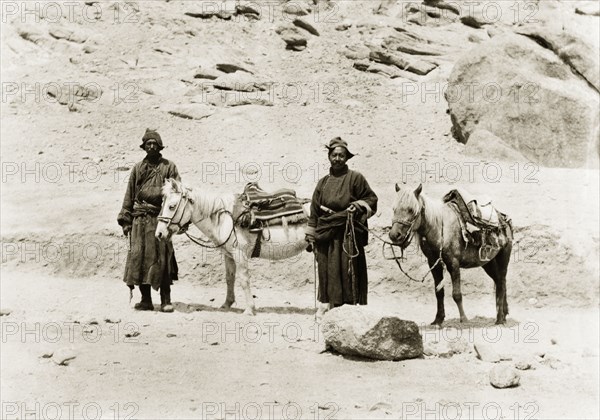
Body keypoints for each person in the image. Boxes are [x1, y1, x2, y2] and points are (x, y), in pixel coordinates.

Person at [306, 137, 378, 317]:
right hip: (326, 237)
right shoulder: (322, 183)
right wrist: (311, 236)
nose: (338, 158)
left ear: (347, 158)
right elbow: (314, 211)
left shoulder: (356, 178)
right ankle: (330, 310)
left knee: (348, 272)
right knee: (328, 272)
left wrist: (359, 205)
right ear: (329, 157)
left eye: (341, 155)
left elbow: (372, 200)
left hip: (348, 234)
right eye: (334, 155)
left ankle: (348, 313)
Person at [117, 129, 180, 312]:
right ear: (144, 147)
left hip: (160, 219)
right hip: (139, 221)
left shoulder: (169, 167)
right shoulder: (138, 168)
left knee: (163, 258)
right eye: (148, 143)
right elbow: (129, 194)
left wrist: (174, 220)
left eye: (154, 143)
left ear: (160, 146)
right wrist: (126, 219)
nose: (151, 146)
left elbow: (176, 194)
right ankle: (146, 300)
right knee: (139, 259)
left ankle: (166, 300)